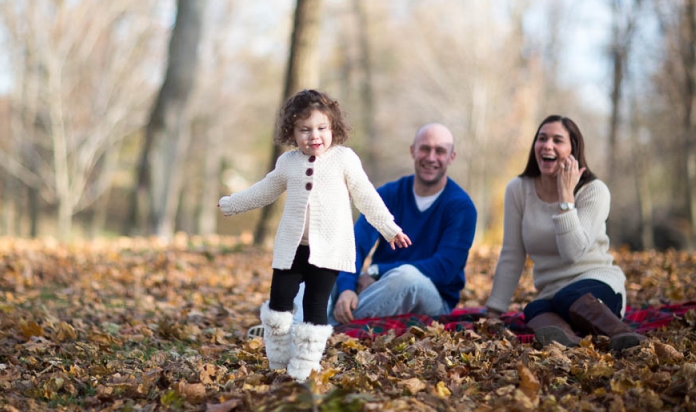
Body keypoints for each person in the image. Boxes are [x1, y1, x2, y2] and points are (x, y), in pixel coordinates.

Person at [218, 89, 411, 382]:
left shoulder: (344, 159)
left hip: (329, 250)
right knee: (279, 304)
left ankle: (306, 365)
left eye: (322, 128)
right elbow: (265, 190)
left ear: (333, 128)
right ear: (292, 132)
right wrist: (233, 204)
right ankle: (279, 358)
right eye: (304, 130)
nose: (314, 136)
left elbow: (366, 196)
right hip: (292, 249)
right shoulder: (288, 163)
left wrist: (389, 228)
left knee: (315, 306)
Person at [485, 115, 645, 351]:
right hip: (552, 294)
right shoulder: (518, 189)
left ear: (573, 151)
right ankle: (568, 343)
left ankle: (624, 336)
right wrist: (494, 311)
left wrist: (566, 199)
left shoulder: (594, 190)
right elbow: (512, 253)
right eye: (542, 139)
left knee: (566, 297)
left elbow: (572, 253)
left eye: (557, 140)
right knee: (534, 309)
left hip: (598, 284)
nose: (547, 145)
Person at [332, 123, 477, 325]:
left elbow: (444, 268)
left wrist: (377, 271)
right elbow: (354, 245)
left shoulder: (461, 207)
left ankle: (332, 327)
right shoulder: (389, 195)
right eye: (425, 148)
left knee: (408, 277)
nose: (431, 157)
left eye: (440, 151)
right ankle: (297, 323)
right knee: (324, 267)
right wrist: (347, 288)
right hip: (380, 289)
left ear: (451, 157)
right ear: (413, 151)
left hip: (434, 301)